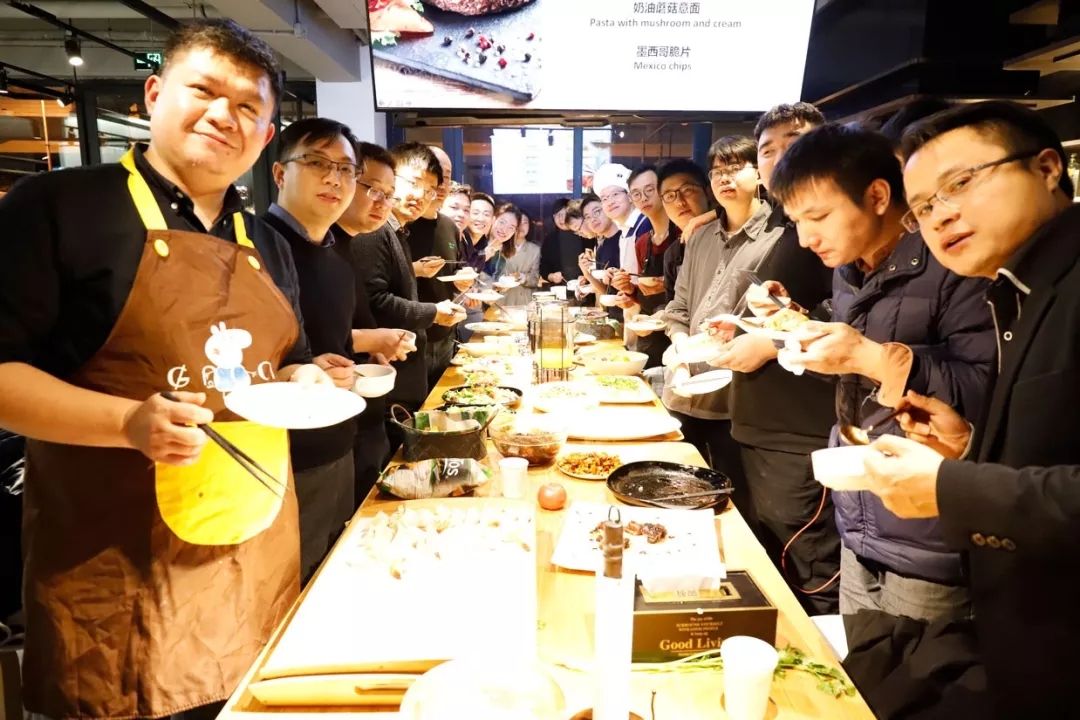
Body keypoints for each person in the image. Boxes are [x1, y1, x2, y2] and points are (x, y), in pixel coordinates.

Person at [0, 19, 333, 718]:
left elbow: (289, 360)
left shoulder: (264, 242)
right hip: (115, 573)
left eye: (247, 106)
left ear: (265, 134)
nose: (224, 115)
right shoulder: (61, 206)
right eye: (204, 91)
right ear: (153, 95)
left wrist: (305, 380)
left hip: (253, 555)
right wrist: (127, 422)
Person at [861, 100, 1080, 718]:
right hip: (1021, 648)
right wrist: (966, 449)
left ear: (1047, 168)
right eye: (924, 207)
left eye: (960, 183)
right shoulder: (1019, 290)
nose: (942, 215)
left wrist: (951, 488)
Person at [763, 122, 996, 626]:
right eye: (796, 221)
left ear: (877, 196)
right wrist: (808, 337)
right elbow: (855, 370)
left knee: (918, 669)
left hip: (929, 533)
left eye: (818, 216)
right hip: (859, 513)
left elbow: (988, 391)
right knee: (863, 664)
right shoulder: (850, 270)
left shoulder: (954, 265)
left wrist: (870, 357)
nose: (806, 238)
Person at [700, 103, 840, 614]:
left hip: (802, 431)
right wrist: (744, 328)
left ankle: (824, 660)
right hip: (757, 422)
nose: (781, 158)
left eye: (794, 143)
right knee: (768, 557)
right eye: (768, 149)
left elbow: (851, 325)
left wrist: (770, 345)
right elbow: (791, 312)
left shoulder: (835, 222)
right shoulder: (787, 221)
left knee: (809, 567)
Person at [262, 118, 364, 583]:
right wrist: (297, 372)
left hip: (336, 447)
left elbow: (336, 345)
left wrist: (345, 368)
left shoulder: (338, 257)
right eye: (318, 163)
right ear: (280, 173)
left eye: (345, 169)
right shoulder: (252, 246)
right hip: (278, 460)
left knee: (331, 577)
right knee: (284, 590)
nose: (334, 179)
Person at [662, 136, 779, 498]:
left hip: (736, 402)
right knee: (675, 494)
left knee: (734, 502)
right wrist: (681, 353)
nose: (724, 178)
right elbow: (678, 309)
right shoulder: (699, 238)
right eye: (717, 172)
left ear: (758, 174)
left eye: (735, 168)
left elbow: (785, 315)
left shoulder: (779, 236)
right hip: (683, 390)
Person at [348, 142, 465, 442]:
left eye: (429, 190)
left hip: (402, 377)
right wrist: (433, 312)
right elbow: (376, 302)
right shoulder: (374, 231)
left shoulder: (398, 231)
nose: (420, 196)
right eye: (413, 183)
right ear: (392, 177)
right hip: (386, 378)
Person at [333, 141, 417, 504]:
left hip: (365, 404)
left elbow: (349, 318)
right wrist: (372, 340)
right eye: (373, 189)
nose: (383, 202)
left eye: (389, 194)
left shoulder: (343, 244)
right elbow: (299, 339)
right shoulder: (321, 245)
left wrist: (373, 349)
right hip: (332, 421)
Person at [409, 145, 466, 388]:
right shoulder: (402, 223)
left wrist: (462, 279)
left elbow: (454, 274)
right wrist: (415, 269)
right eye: (435, 174)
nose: (441, 183)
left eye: (447, 175)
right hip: (412, 341)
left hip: (446, 335)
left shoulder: (449, 226)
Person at [613, 164, 677, 368]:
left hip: (677, 336)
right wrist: (630, 289)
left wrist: (665, 284)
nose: (643, 198)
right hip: (648, 335)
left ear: (663, 190)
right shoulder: (642, 242)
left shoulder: (683, 235)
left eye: (650, 190)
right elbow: (646, 295)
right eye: (636, 194)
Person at [577, 192, 621, 300]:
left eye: (596, 212)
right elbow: (605, 291)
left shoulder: (625, 238)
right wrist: (587, 274)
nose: (592, 219)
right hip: (612, 309)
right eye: (588, 217)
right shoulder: (601, 249)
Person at [503, 206, 542, 306]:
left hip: (526, 301)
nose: (522, 226)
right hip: (504, 300)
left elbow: (535, 278)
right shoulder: (499, 247)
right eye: (519, 222)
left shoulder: (535, 250)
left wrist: (522, 277)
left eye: (525, 222)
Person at [540, 198, 582, 286]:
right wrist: (551, 276)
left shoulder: (583, 234)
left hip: (584, 288)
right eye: (557, 215)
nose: (560, 219)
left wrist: (586, 277)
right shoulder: (550, 239)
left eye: (563, 214)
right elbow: (544, 268)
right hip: (559, 289)